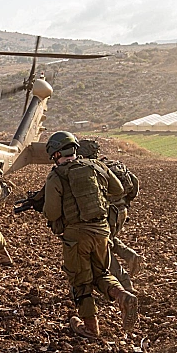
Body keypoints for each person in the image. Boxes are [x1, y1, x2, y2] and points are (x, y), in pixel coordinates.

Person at [43, 131, 139, 339]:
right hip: (102, 230)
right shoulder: (96, 166)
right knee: (101, 273)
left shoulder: (56, 176)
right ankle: (123, 295)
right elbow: (118, 188)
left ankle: (90, 327)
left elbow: (51, 212)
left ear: (56, 154)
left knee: (81, 281)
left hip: (77, 236)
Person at [78, 139, 143, 293]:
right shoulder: (114, 164)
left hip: (109, 213)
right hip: (121, 211)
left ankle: (125, 282)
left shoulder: (91, 170)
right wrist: (125, 204)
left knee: (102, 250)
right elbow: (134, 183)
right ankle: (131, 256)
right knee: (109, 239)